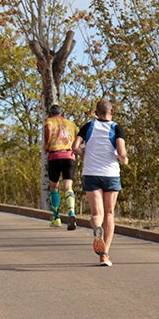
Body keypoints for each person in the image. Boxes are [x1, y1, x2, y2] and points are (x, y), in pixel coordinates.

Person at [71, 98, 128, 266]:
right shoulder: (117, 128)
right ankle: (104, 254)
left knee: (97, 214)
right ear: (112, 112)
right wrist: (124, 160)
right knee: (109, 214)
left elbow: (75, 146)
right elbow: (121, 151)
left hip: (91, 173)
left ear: (96, 113)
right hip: (110, 174)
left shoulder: (88, 126)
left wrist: (85, 155)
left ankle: (97, 231)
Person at [44, 104, 80, 230]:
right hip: (69, 156)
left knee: (54, 186)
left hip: (54, 156)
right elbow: (79, 137)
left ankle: (56, 217)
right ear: (61, 113)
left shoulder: (49, 121)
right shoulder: (71, 124)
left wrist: (47, 144)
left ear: (50, 113)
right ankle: (71, 212)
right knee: (68, 186)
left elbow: (48, 128)